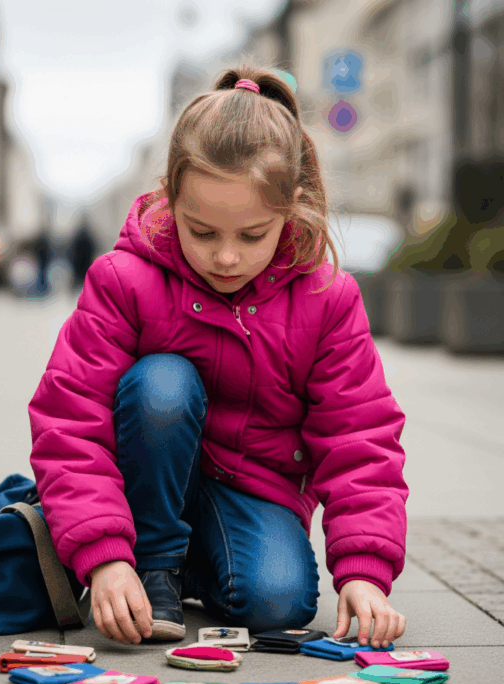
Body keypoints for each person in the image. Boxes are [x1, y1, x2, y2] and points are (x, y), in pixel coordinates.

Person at [28, 67, 409, 648]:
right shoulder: (122, 281)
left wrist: (365, 571)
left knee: (280, 603)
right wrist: (104, 556)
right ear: (171, 197)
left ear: (292, 210)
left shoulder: (328, 297)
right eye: (200, 231)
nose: (226, 258)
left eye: (252, 235)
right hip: (148, 475)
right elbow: (69, 419)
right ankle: (153, 561)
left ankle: (191, 562)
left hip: (253, 485)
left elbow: (360, 436)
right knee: (164, 384)